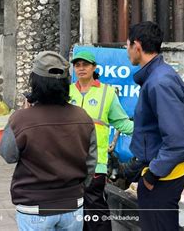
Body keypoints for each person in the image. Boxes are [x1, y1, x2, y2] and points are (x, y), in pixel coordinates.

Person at [0, 51, 97, 231]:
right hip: (72, 205)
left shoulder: (21, 119)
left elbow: (8, 155)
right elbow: (91, 163)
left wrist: (22, 113)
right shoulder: (83, 116)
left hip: (34, 207)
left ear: (35, 83)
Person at [126, 21, 184, 230]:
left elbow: (178, 142)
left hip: (162, 178)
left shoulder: (159, 81)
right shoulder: (161, 73)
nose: (127, 50)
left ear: (137, 46)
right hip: (164, 171)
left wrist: (153, 174)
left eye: (127, 45)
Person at [69, 50, 133, 231]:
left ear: (94, 68)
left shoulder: (107, 93)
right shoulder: (67, 92)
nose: (81, 68)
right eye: (77, 65)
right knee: (74, 212)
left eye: (85, 65)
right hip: (69, 163)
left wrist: (148, 132)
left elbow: (122, 123)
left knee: (95, 210)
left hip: (95, 163)